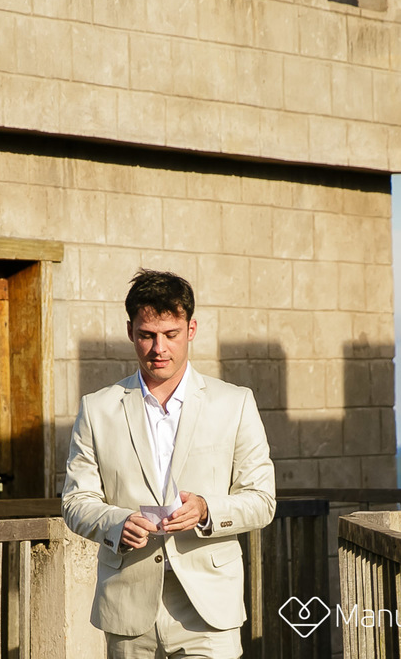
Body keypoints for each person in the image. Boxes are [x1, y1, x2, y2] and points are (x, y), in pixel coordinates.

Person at [62, 269, 276, 659]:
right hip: (127, 607)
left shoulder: (235, 402)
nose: (159, 348)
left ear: (191, 329)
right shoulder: (96, 409)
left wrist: (207, 510)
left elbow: (262, 500)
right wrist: (117, 523)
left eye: (171, 334)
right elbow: (76, 502)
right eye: (147, 335)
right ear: (130, 331)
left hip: (209, 609)